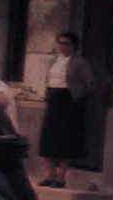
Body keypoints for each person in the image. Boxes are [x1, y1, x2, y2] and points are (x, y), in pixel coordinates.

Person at [38, 31, 96, 186]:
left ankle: (61, 177)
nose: (63, 46)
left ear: (74, 45)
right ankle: (50, 174)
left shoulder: (80, 62)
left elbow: (89, 84)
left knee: (66, 138)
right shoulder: (54, 61)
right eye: (60, 43)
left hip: (69, 101)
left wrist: (76, 96)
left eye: (67, 43)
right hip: (53, 99)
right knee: (47, 137)